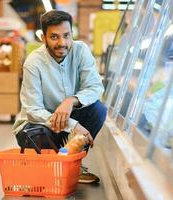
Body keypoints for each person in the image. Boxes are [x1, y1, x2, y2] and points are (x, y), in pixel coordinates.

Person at [13, 10, 107, 184]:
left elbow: (95, 87)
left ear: (72, 34)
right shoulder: (33, 63)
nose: (62, 42)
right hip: (40, 124)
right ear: (44, 38)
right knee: (35, 132)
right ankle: (54, 167)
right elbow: (33, 110)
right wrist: (73, 125)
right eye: (54, 37)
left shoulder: (81, 51)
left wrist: (71, 101)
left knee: (98, 110)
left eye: (66, 35)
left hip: (66, 120)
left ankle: (72, 163)